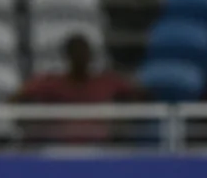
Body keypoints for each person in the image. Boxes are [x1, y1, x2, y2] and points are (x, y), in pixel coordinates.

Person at [11, 34, 146, 144]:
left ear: (90, 55)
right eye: (76, 53)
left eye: (84, 53)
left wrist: (121, 121)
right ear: (68, 56)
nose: (80, 57)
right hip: (58, 147)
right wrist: (35, 125)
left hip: (101, 147)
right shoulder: (52, 83)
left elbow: (141, 96)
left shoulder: (106, 81)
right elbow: (16, 99)